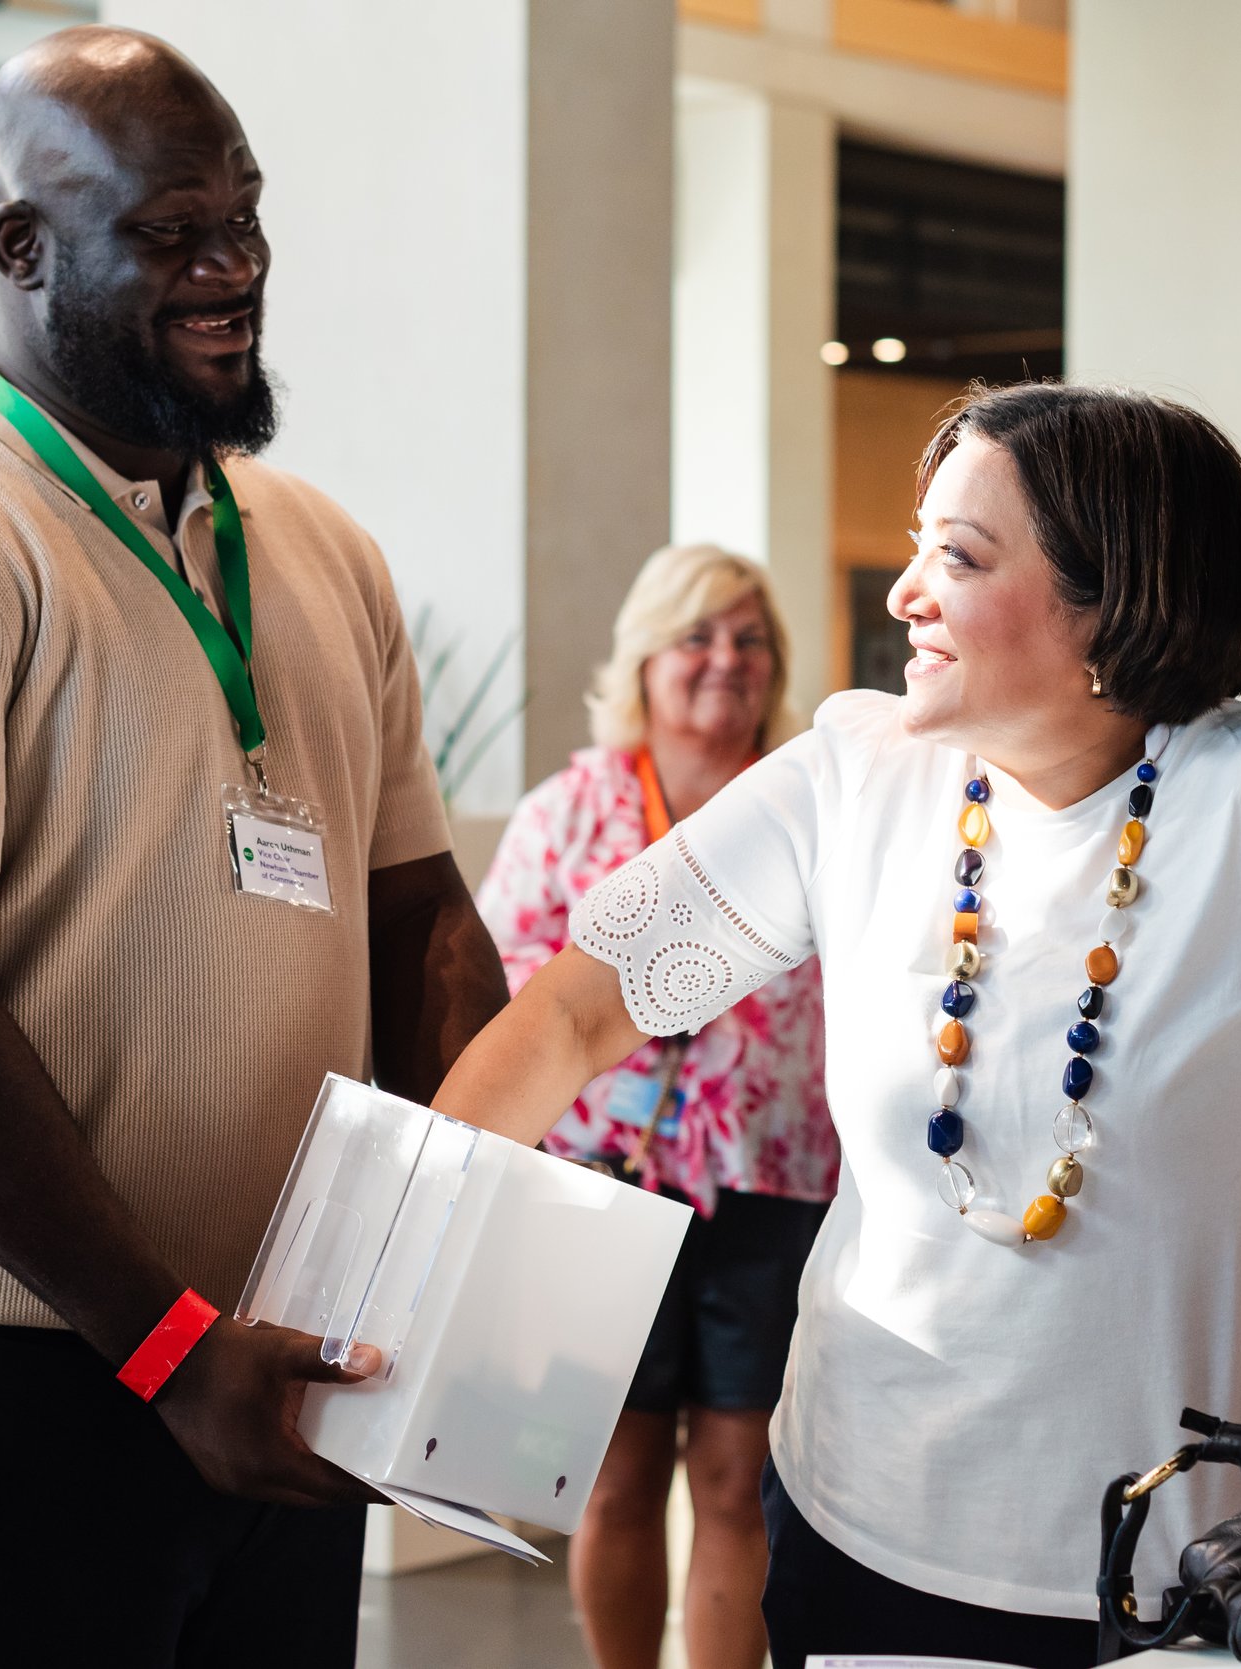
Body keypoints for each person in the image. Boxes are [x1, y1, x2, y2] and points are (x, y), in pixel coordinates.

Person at [423, 382, 1241, 1669]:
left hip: (1209, 1575)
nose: (905, 592)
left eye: (957, 556)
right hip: (855, 1537)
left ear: (1114, 598)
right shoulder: (853, 774)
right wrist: (400, 1277)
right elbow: (574, 1012)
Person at [0, 28, 507, 1667]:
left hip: (268, 1366)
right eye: (169, 233)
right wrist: (165, 1344)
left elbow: (420, 920)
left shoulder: (320, 549)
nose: (233, 269)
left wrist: (486, 1254)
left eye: (245, 219)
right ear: (24, 247)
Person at [477, 544, 835, 1669]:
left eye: (750, 638)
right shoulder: (571, 810)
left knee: (737, 1477)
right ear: (644, 658)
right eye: (698, 636)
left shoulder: (808, 804)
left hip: (772, 1179)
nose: (727, 659)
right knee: (617, 1472)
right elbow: (507, 979)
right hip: (603, 1183)